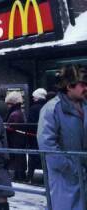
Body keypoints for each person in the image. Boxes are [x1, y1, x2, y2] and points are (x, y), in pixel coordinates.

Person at [37, 65, 87, 210]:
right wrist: (73, 168)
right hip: (64, 179)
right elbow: (47, 147)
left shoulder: (85, 106)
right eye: (82, 84)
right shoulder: (51, 109)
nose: (86, 88)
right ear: (69, 86)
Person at [5, 91, 27, 182]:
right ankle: (20, 174)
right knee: (20, 157)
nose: (8, 106)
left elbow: (12, 128)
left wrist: (6, 128)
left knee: (17, 158)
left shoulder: (14, 114)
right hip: (20, 139)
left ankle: (19, 175)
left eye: (9, 104)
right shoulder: (19, 112)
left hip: (15, 139)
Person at [27, 88, 47, 181]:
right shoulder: (47, 107)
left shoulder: (33, 108)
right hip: (46, 136)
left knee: (33, 158)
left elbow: (29, 124)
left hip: (34, 136)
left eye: (34, 97)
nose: (33, 99)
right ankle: (46, 177)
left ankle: (30, 177)